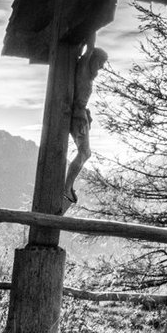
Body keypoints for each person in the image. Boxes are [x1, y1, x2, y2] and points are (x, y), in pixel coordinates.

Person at [63, 44, 108, 209]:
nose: (102, 66)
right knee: (84, 152)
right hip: (77, 117)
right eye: (101, 62)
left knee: (85, 153)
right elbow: (90, 45)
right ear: (93, 58)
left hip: (81, 116)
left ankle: (68, 186)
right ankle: (66, 187)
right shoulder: (84, 67)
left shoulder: (88, 74)